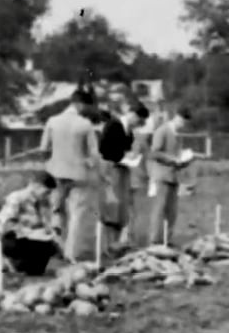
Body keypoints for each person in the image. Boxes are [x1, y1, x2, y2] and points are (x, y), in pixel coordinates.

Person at [39, 88, 100, 263]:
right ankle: (71, 253)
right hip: (79, 174)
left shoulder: (52, 121)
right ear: (81, 104)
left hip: (56, 173)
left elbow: (43, 149)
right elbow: (94, 154)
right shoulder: (85, 125)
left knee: (57, 211)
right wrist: (90, 165)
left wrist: (50, 163)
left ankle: (57, 246)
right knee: (76, 214)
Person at [98, 101, 150, 248]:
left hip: (123, 169)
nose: (138, 125)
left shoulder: (129, 131)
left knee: (122, 207)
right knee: (112, 206)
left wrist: (130, 156)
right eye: (139, 121)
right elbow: (104, 149)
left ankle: (118, 242)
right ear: (132, 115)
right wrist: (122, 157)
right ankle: (108, 244)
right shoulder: (113, 125)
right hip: (111, 168)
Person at [0, 171, 60, 276]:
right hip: (11, 238)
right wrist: (31, 233)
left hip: (28, 237)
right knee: (42, 244)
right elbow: (7, 224)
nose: (47, 196)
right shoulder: (16, 198)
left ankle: (31, 269)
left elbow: (39, 224)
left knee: (51, 246)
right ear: (37, 186)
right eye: (46, 192)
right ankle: (12, 263)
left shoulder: (38, 203)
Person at [147, 107, 193, 245]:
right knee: (160, 209)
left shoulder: (177, 134)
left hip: (174, 176)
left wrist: (183, 161)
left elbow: (177, 154)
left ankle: (167, 239)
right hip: (162, 175)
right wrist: (172, 159)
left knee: (171, 212)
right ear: (177, 117)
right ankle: (156, 239)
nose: (183, 125)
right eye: (182, 121)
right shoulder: (162, 131)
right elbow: (154, 153)